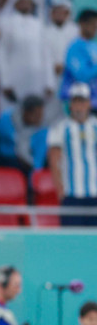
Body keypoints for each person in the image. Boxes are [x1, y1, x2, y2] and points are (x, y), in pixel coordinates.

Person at [0, 0, 53, 115]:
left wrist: (49, 82)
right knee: (13, 113)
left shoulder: (38, 24)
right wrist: (5, 82)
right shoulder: (6, 23)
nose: (25, 4)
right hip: (14, 80)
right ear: (15, 3)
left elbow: (46, 54)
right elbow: (1, 55)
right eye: (22, 1)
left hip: (36, 80)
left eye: (28, 1)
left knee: (35, 114)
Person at [48, 82, 97, 226]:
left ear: (89, 103)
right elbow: (54, 159)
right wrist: (60, 190)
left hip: (94, 192)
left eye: (82, 101)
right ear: (70, 104)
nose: (79, 106)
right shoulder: (60, 128)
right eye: (76, 101)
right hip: (71, 193)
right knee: (72, 240)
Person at [61, 9, 97, 112]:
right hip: (82, 105)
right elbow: (81, 75)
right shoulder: (75, 47)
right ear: (82, 23)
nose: (95, 27)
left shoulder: (94, 45)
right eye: (92, 24)